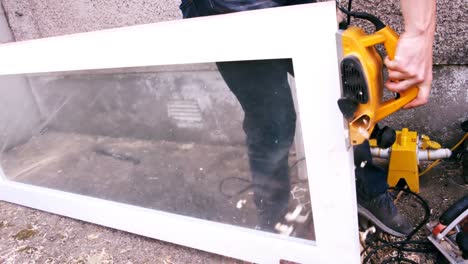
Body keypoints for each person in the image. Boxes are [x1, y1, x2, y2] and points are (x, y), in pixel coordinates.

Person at [179, 0, 436, 236]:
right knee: (272, 122)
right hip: (227, 9)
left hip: (296, 6)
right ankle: (274, 219)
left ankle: (365, 189)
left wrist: (420, 34)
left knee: (349, 101)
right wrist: (418, 34)